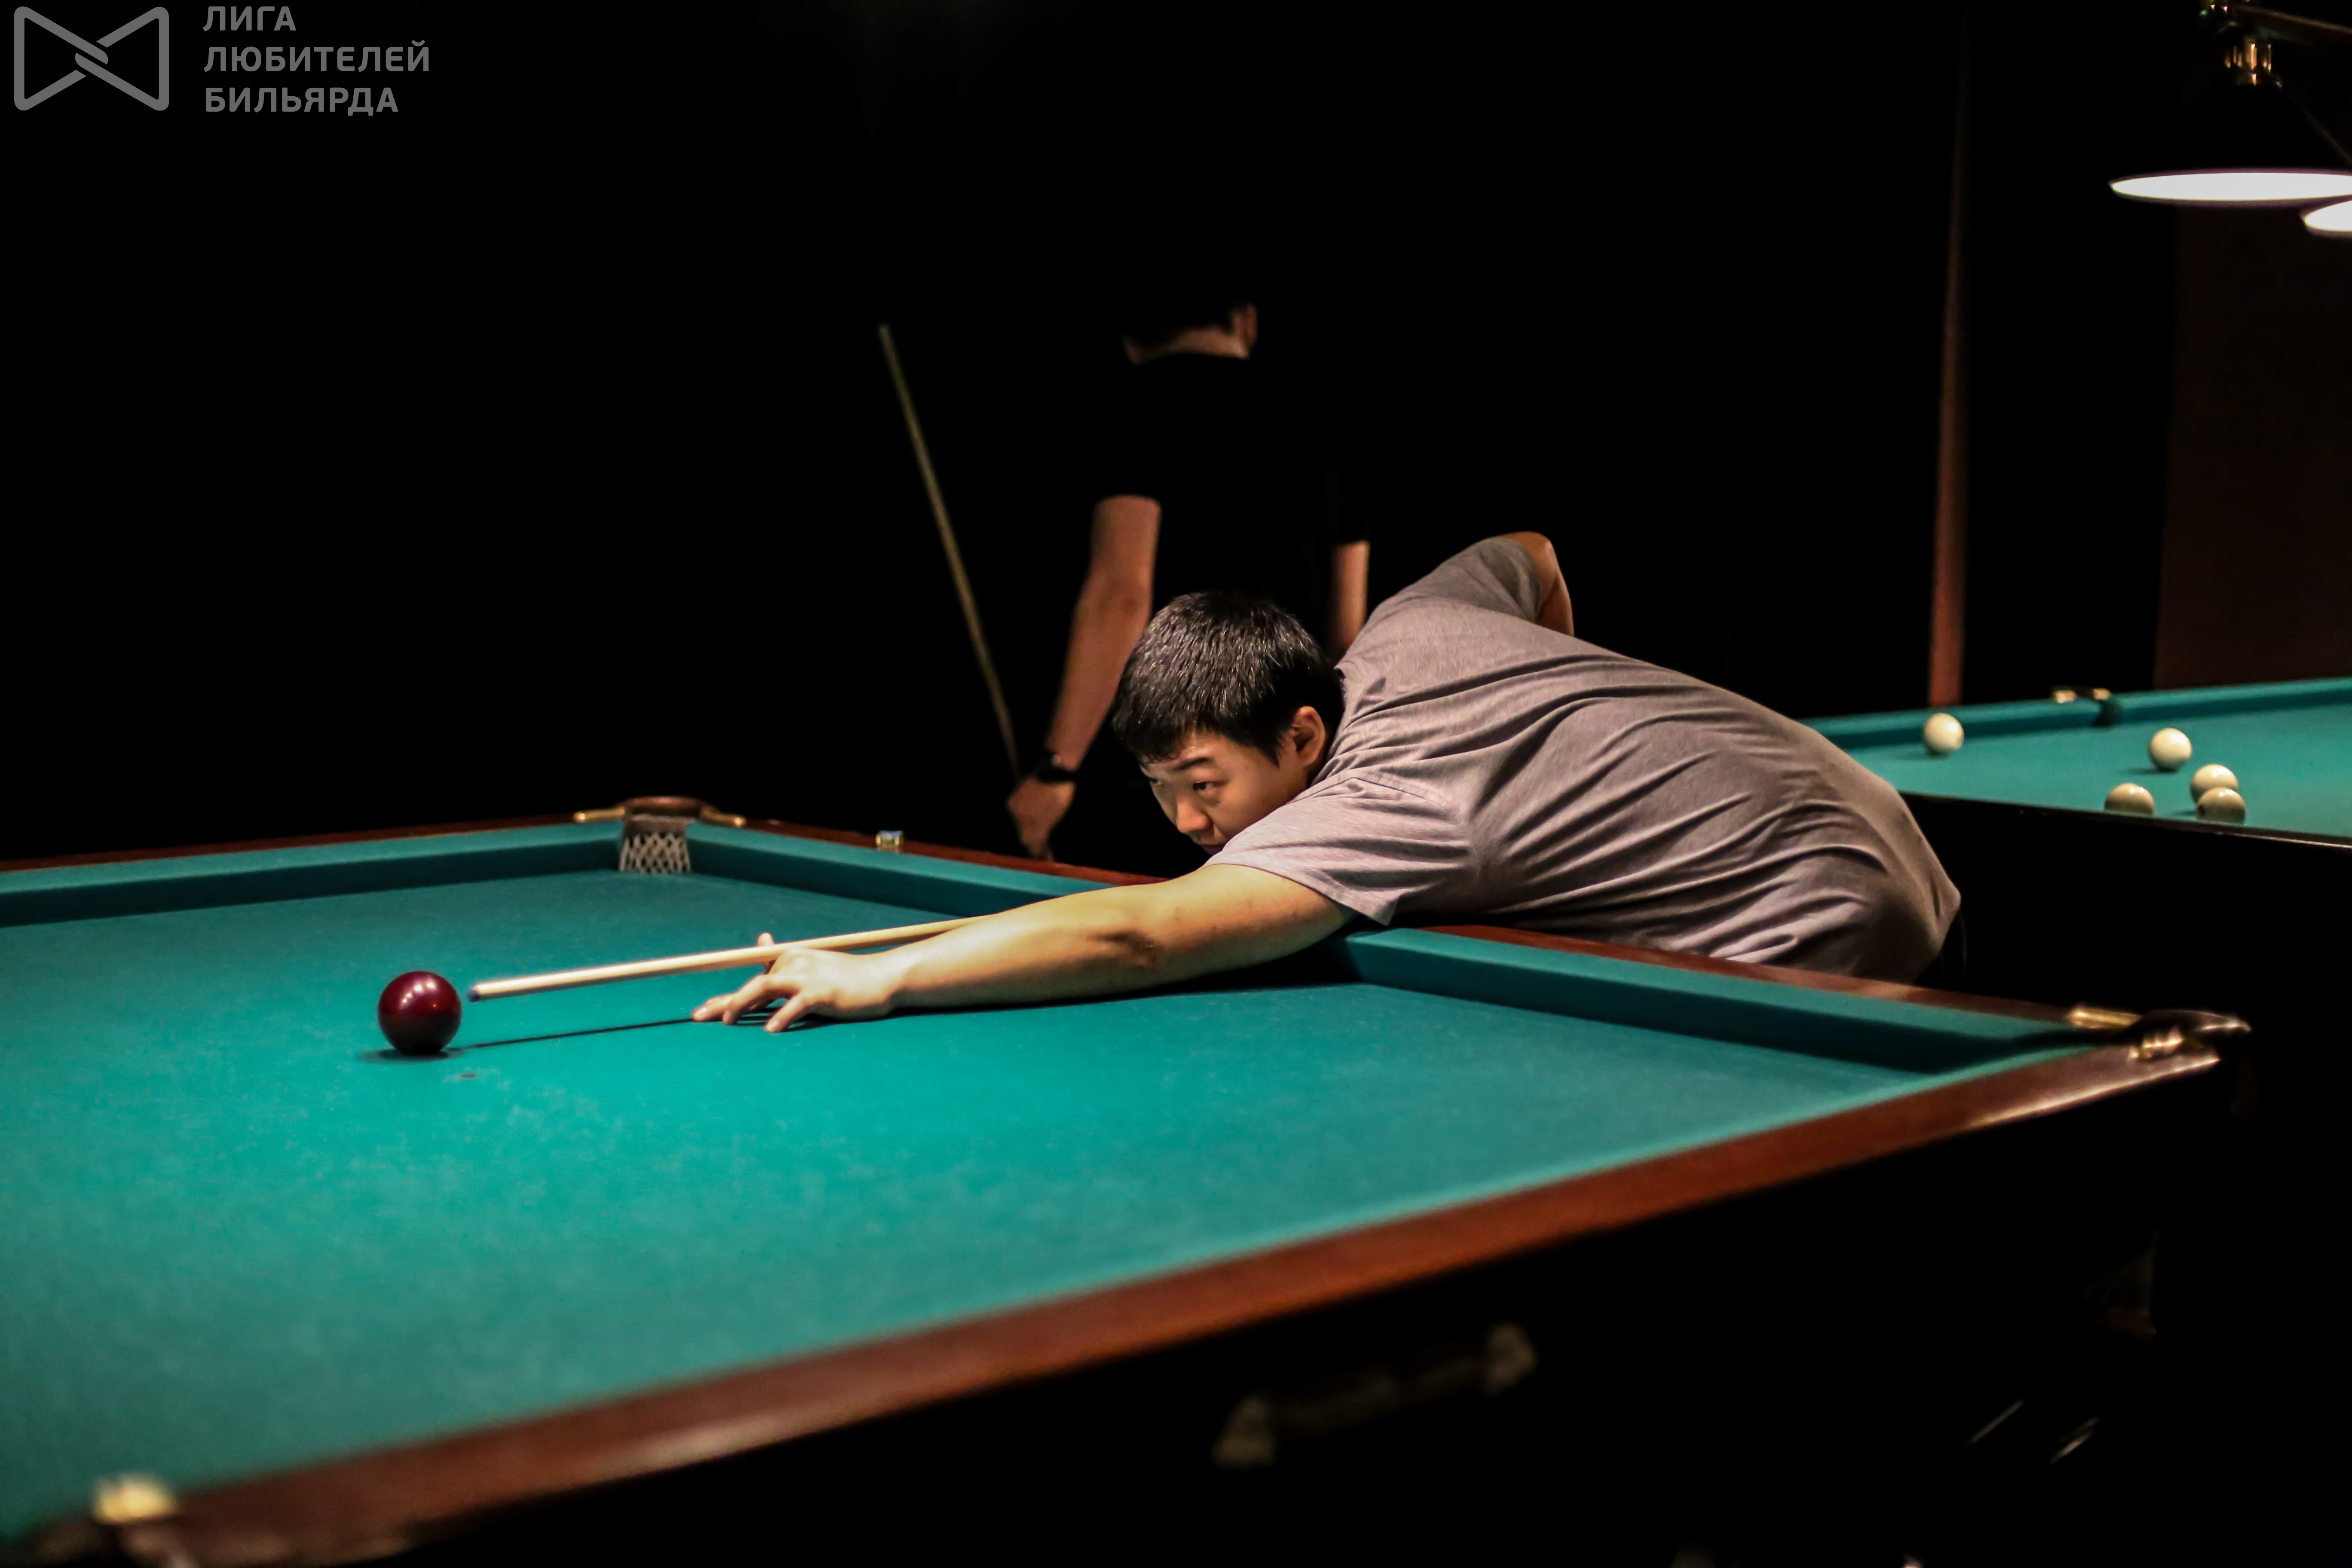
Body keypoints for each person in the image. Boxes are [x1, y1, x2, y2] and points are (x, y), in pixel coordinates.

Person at [697, 534, 1960, 1033]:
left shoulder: (1374, 806)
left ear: (1305, 735)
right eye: (1162, 790)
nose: (1189, 826)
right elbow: (1529, 553)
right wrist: (1554, 731)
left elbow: (1143, 934)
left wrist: (882, 975)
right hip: (1877, 816)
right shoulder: (1411, 623)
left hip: (1832, 902)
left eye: (1204, 783)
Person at [1004, 291, 1368, 874]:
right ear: (1246, 321)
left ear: (1131, 341)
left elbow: (1121, 594)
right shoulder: (1326, 422)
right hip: (1291, 756)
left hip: (1170, 764)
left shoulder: (1135, 406)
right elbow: (1348, 635)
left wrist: (1057, 769)